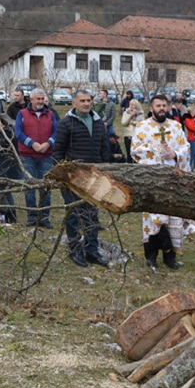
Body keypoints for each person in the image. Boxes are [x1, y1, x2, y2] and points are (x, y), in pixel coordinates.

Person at [131, 94, 195, 270]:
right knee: (154, 219)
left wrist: (175, 154)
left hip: (173, 181)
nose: (161, 108)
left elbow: (186, 147)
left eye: (164, 105)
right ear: (151, 108)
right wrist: (156, 151)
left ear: (168, 107)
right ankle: (151, 256)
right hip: (152, 181)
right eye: (158, 106)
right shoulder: (142, 127)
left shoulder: (176, 126)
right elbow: (135, 150)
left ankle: (170, 257)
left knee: (173, 217)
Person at [52, 90, 111, 268]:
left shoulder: (98, 122)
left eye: (89, 100)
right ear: (74, 103)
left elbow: (104, 147)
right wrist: (62, 175)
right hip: (74, 178)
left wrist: (106, 171)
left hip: (95, 176)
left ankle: (92, 250)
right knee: (74, 215)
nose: (86, 103)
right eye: (82, 100)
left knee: (92, 215)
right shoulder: (66, 123)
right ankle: (75, 249)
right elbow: (58, 151)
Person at [15, 88, 57, 228]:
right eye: (37, 99)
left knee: (46, 188)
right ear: (31, 99)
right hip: (28, 156)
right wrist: (32, 144)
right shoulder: (22, 114)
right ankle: (32, 217)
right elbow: (18, 132)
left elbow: (56, 132)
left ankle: (44, 217)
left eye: (42, 98)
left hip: (46, 156)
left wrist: (48, 143)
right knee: (30, 187)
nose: (40, 101)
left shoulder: (50, 114)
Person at [181, 104, 195, 171]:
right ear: (191, 111)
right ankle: (189, 167)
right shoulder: (187, 119)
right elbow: (191, 127)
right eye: (194, 110)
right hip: (192, 138)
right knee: (192, 154)